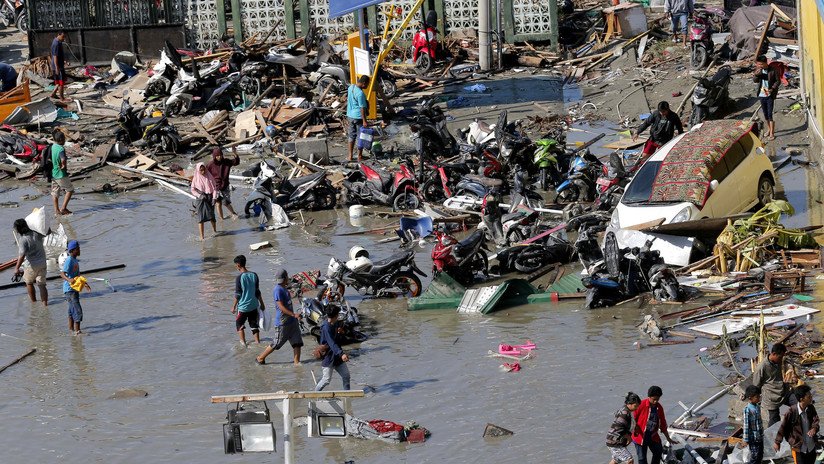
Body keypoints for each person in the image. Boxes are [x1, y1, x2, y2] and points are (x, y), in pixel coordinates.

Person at [256, 269, 303, 365]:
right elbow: (281, 307)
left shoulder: (284, 288)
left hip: (292, 322)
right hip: (283, 323)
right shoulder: (277, 290)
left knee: (297, 342)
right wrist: (294, 314)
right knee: (276, 343)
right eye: (287, 276)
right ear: (285, 277)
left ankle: (297, 364)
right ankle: (261, 358)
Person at [753, 342, 797, 427]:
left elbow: (788, 366)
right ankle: (770, 438)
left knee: (798, 404)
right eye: (780, 357)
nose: (781, 360)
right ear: (773, 354)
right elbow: (756, 385)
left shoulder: (779, 361)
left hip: (783, 391)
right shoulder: (762, 367)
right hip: (771, 397)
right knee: (774, 420)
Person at [774, 384, 819, 464]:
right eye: (809, 397)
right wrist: (778, 442)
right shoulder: (791, 412)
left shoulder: (811, 408)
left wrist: (814, 428)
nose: (811, 398)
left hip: (811, 446)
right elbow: (783, 428)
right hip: (798, 448)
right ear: (802, 399)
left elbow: (816, 420)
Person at [632, 386, 676, 464]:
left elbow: (662, 424)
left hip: (653, 436)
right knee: (642, 459)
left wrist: (668, 438)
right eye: (654, 399)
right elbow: (632, 420)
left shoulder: (659, 408)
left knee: (658, 453)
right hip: (640, 436)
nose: (655, 401)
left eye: (657, 399)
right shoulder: (640, 405)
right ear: (649, 397)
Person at [314, 305, 351, 391]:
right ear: (336, 316)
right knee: (326, 380)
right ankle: (314, 395)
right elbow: (332, 343)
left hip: (337, 357)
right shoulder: (326, 328)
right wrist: (342, 354)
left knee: (346, 376)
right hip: (329, 357)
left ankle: (347, 395)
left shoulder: (334, 324)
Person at [231, 255, 265, 346]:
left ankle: (244, 343)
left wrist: (233, 306)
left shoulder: (239, 278)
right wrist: (262, 303)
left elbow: (238, 294)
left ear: (238, 265)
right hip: (254, 305)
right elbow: (257, 291)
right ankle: (258, 342)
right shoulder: (254, 275)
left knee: (239, 324)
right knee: (254, 324)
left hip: (243, 307)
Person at [13, 219, 48, 306]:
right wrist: (46, 224)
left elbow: (22, 255)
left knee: (29, 283)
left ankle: (34, 303)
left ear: (19, 229)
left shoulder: (23, 239)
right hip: (42, 263)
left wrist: (17, 268)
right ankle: (45, 305)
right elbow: (48, 232)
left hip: (30, 266)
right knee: (42, 285)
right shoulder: (37, 233)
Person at [60, 240, 90, 335]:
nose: (80, 250)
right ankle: (78, 331)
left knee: (71, 309)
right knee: (77, 309)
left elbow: (78, 276)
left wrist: (85, 284)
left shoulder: (75, 260)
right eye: (78, 249)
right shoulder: (69, 260)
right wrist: (69, 280)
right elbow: (62, 274)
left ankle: (71, 329)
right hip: (69, 289)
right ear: (72, 250)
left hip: (74, 288)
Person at [607, 392, 642, 464]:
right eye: (635, 406)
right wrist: (629, 437)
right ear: (629, 403)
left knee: (616, 460)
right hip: (615, 442)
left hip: (615, 441)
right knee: (629, 460)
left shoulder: (628, 410)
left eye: (638, 406)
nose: (637, 408)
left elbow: (629, 423)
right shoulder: (624, 413)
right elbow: (619, 428)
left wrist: (635, 428)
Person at [206, 147, 240, 220]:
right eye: (217, 156)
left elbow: (236, 162)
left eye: (221, 155)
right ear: (214, 156)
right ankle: (221, 219)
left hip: (225, 186)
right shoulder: (210, 165)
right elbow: (205, 175)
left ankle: (233, 213)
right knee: (218, 204)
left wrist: (235, 153)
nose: (219, 157)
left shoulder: (226, 162)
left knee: (226, 202)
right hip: (216, 187)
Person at [753, 55, 781, 141]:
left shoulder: (773, 70)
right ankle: (769, 129)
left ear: (766, 63)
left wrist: (772, 89)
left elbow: (778, 81)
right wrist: (756, 75)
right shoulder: (759, 70)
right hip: (762, 95)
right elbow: (755, 81)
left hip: (770, 95)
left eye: (762, 64)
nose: (760, 66)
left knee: (770, 114)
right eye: (759, 64)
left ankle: (772, 133)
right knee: (765, 114)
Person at [190, 162, 217, 240]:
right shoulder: (196, 178)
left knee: (212, 216)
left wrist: (214, 198)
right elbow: (193, 190)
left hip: (209, 197)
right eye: (201, 170)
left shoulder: (209, 176)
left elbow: (214, 188)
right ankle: (202, 237)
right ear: (198, 170)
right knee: (200, 218)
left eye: (204, 169)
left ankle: (214, 231)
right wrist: (199, 195)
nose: (203, 172)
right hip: (201, 199)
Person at [346, 75, 370, 162]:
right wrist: (365, 121)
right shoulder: (360, 94)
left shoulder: (351, 87)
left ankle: (350, 156)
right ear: (364, 83)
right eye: (367, 84)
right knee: (360, 136)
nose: (367, 86)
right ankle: (359, 156)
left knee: (351, 135)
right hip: (358, 117)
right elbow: (362, 108)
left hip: (350, 115)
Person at [50, 130, 74, 215]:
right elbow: (63, 159)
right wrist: (64, 165)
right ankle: (63, 208)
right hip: (60, 174)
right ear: (61, 139)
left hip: (53, 173)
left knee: (55, 192)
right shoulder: (61, 148)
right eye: (64, 139)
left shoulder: (53, 146)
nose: (65, 141)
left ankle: (56, 211)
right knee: (70, 189)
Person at [743, 385, 764, 464]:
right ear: (750, 398)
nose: (758, 399)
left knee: (760, 455)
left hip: (760, 437)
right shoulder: (747, 410)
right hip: (753, 438)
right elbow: (746, 426)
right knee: (754, 456)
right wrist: (745, 439)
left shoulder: (757, 407)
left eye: (759, 397)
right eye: (757, 397)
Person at [49, 30, 68, 102]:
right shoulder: (56, 44)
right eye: (63, 37)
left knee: (59, 81)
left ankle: (53, 93)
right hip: (58, 66)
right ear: (58, 35)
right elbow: (55, 57)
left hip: (59, 65)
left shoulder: (58, 42)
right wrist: (57, 67)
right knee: (61, 83)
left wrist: (63, 61)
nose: (64, 39)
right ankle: (62, 99)